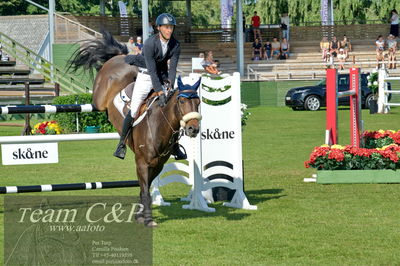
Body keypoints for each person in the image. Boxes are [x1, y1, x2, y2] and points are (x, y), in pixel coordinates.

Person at [114, 13, 186, 160]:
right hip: (146, 76)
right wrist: (159, 91)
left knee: (173, 107)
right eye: (166, 27)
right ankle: (121, 144)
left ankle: (175, 146)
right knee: (134, 110)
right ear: (159, 28)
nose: (169, 30)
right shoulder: (149, 43)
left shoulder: (176, 45)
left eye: (171, 27)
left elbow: (172, 69)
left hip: (163, 76)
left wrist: (170, 86)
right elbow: (152, 72)